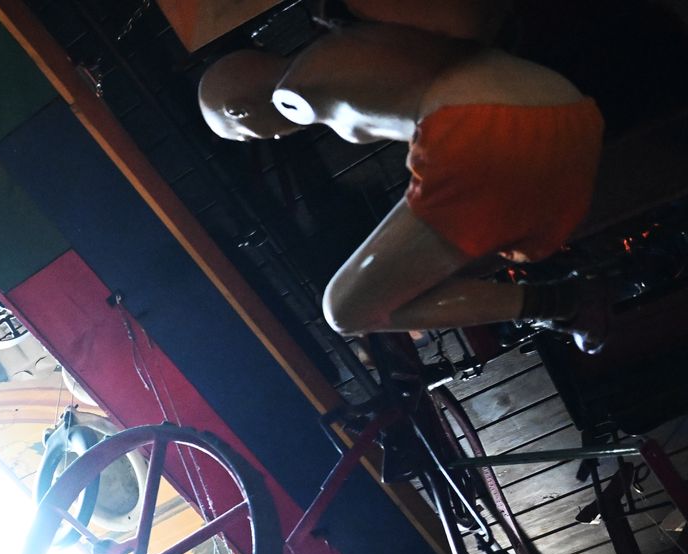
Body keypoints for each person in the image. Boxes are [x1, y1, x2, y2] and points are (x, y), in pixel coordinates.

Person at [198, 20, 607, 349]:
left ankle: (562, 302)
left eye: (248, 136)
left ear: (238, 110)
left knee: (344, 310)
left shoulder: (298, 92)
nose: (268, 141)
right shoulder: (343, 40)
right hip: (566, 110)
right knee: (397, 284)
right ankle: (559, 302)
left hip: (486, 135)